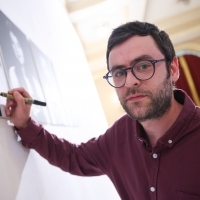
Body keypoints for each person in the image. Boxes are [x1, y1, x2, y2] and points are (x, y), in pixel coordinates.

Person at [5, 21, 200, 200]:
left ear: (173, 69)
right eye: (119, 72)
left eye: (143, 66)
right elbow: (72, 157)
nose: (130, 81)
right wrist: (25, 124)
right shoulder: (119, 136)